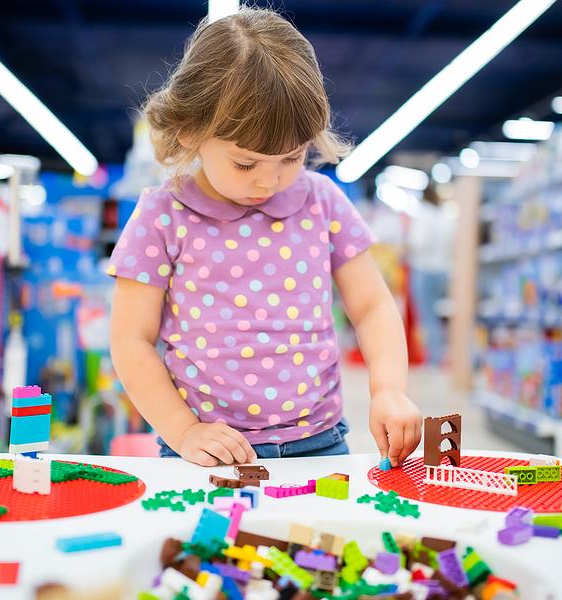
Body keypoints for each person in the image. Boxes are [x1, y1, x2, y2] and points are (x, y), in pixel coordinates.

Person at [108, 8, 422, 468]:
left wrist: (389, 390)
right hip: (202, 451)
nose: (268, 182)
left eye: (291, 158)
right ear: (191, 131)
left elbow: (373, 306)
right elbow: (131, 340)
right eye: (246, 163)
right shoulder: (163, 215)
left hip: (320, 442)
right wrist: (184, 431)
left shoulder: (322, 202)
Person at [406, 192, 455, 366]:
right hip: (443, 270)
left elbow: (418, 242)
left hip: (423, 269)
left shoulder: (423, 216)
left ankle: (433, 360)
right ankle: (441, 355)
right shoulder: (443, 217)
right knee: (440, 316)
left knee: (427, 317)